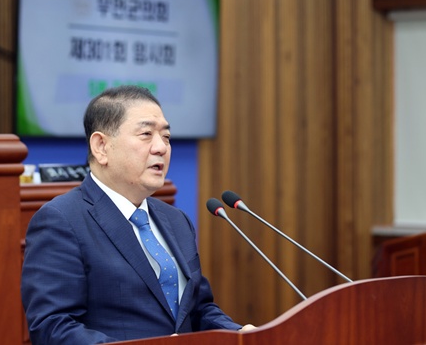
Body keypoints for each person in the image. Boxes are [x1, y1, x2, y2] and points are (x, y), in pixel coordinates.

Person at [21, 85, 253, 344]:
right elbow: (52, 327)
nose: (161, 147)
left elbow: (198, 309)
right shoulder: (61, 220)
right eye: (146, 134)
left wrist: (238, 333)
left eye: (166, 136)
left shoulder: (176, 220)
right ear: (101, 146)